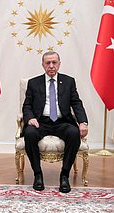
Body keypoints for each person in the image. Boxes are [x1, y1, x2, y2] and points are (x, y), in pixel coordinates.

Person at [22, 51, 88, 193]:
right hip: (41, 122)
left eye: (54, 62)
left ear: (59, 64)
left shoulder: (69, 81)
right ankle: (38, 175)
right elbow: (27, 105)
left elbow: (76, 103)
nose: (51, 66)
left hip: (61, 121)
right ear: (43, 65)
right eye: (48, 63)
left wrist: (83, 122)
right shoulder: (33, 83)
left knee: (73, 133)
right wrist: (30, 118)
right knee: (29, 133)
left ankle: (64, 175)